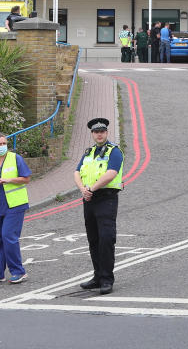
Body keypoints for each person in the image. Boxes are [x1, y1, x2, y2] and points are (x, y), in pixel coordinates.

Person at [74, 117, 124, 295]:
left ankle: (106, 279)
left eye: (102, 131)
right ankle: (97, 277)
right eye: (96, 132)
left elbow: (111, 173)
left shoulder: (114, 152)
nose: (99, 134)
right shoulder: (88, 153)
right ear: (92, 134)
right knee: (93, 240)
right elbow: (77, 172)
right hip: (89, 200)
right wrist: (82, 190)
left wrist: (91, 189)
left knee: (106, 239)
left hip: (106, 199)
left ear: (106, 132)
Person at [0, 133, 32, 285]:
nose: (2, 146)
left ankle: (18, 271)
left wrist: (8, 180)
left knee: (8, 237)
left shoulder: (16, 159)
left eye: (4, 143)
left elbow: (26, 178)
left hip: (14, 205)